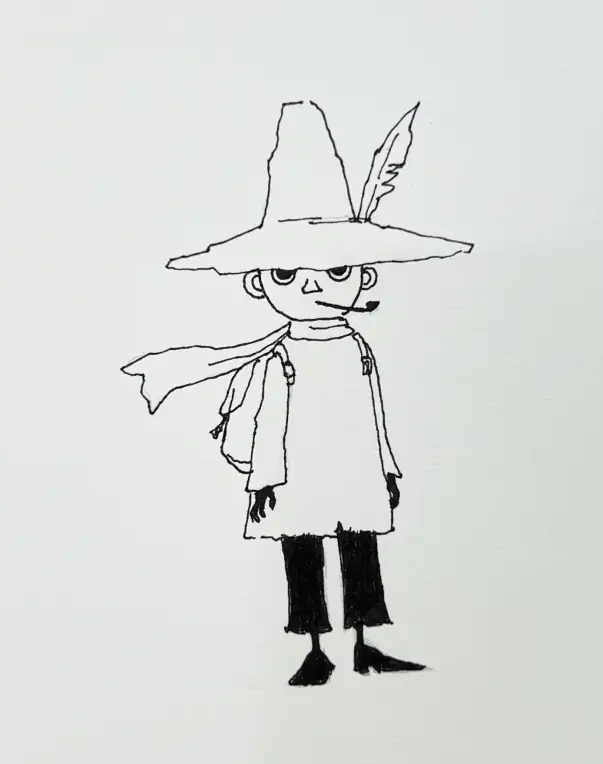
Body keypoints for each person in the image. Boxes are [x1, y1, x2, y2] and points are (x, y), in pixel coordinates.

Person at [122, 100, 473, 686]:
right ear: (259, 284)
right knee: (304, 553)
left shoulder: (357, 346)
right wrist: (263, 479)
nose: (311, 287)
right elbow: (268, 420)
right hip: (295, 475)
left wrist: (386, 467)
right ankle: (315, 648)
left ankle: (363, 644)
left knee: (361, 549)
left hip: (355, 467)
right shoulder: (279, 355)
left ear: (364, 275)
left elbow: (373, 414)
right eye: (287, 275)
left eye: (336, 272)